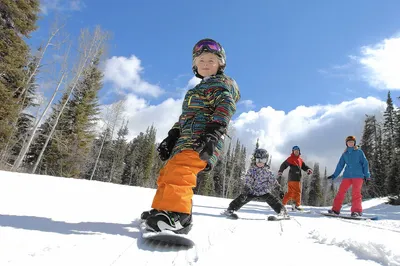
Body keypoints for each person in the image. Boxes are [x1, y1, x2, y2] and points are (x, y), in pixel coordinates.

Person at [141, 38, 240, 234]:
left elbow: (226, 105)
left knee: (181, 173)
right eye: (201, 60)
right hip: (185, 140)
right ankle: (163, 210)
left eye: (211, 60)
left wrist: (213, 132)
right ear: (194, 65)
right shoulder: (197, 89)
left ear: (221, 64)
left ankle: (179, 216)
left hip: (201, 140)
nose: (206, 64)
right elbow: (186, 117)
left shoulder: (220, 83)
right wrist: (172, 135)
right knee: (167, 173)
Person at [223, 148, 289, 219]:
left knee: (273, 200)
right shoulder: (252, 170)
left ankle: (282, 211)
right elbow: (248, 179)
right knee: (242, 198)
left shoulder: (268, 172)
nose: (260, 162)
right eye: (258, 160)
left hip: (264, 191)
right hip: (252, 191)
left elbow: (273, 181)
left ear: (266, 160)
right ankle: (230, 209)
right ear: (255, 160)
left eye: (262, 160)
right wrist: (246, 188)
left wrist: (279, 189)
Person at [327, 136, 370, 217]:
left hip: (358, 176)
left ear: (354, 143)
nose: (350, 143)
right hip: (347, 176)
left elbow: (365, 163)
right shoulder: (345, 154)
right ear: (346, 143)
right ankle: (335, 210)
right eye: (349, 142)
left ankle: (356, 211)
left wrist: (367, 175)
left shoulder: (359, 152)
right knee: (341, 192)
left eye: (352, 142)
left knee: (356, 193)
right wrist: (334, 175)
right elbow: (340, 166)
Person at [278, 146, 312, 211]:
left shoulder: (300, 159)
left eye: (297, 151)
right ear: (293, 152)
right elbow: (284, 164)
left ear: (299, 151)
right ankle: (296, 206)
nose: (296, 152)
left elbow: (304, 166)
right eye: (295, 151)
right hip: (294, 178)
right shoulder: (291, 158)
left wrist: (308, 169)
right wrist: (280, 171)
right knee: (297, 192)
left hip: (296, 178)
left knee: (291, 192)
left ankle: (286, 204)